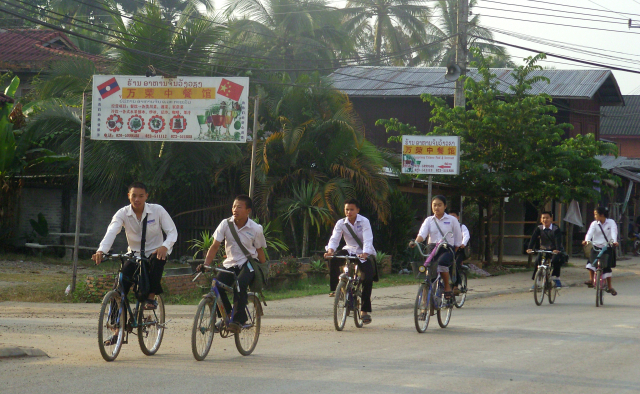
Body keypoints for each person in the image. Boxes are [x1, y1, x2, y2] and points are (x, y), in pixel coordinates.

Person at [93, 182, 178, 310]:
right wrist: (101, 251)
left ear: (146, 196)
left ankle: (151, 297)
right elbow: (112, 231)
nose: (137, 199)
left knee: (157, 261)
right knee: (121, 284)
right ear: (129, 196)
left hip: (155, 252)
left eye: (141, 196)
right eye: (134, 196)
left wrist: (165, 246)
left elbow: (172, 232)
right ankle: (116, 324)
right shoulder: (122, 213)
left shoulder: (157, 210)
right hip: (134, 255)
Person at [197, 195, 267, 333]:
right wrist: (205, 264)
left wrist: (263, 269)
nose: (235, 210)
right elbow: (215, 246)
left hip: (248, 263)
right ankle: (228, 315)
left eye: (239, 207)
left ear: (248, 211)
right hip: (230, 264)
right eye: (234, 206)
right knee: (216, 284)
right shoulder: (225, 224)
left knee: (240, 284)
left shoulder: (255, 228)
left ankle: (238, 320)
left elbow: (259, 250)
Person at [324, 199, 378, 325]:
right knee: (334, 259)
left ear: (357, 210)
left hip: (363, 252)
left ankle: (364, 311)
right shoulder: (341, 223)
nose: (349, 212)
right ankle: (335, 289)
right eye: (346, 209)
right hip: (349, 249)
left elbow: (368, 238)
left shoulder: (364, 221)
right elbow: (334, 238)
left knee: (367, 278)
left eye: (351, 209)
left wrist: (365, 253)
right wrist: (330, 250)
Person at [410, 195, 462, 300]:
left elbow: (458, 238)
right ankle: (424, 304)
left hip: (447, 248)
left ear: (445, 206)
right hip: (432, 248)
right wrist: (415, 242)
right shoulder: (429, 220)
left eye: (439, 205)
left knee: (442, 263)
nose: (436, 208)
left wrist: (454, 251)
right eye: (434, 205)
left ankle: (447, 287)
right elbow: (422, 234)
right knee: (428, 272)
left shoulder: (452, 220)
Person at [582, 207, 618, 296]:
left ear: (601, 215)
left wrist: (614, 241)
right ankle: (591, 280)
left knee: (607, 267)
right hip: (596, 246)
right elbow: (589, 233)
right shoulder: (594, 224)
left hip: (607, 247)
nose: (594, 216)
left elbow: (614, 232)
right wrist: (586, 240)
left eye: (595, 214)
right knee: (591, 263)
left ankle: (610, 287)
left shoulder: (611, 222)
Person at [526, 211, 564, 290]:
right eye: (543, 218)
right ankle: (536, 282)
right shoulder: (539, 228)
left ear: (551, 219)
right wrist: (529, 248)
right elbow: (533, 238)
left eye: (547, 218)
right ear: (541, 219)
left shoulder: (555, 229)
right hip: (544, 249)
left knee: (555, 260)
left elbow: (558, 240)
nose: (545, 220)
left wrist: (557, 249)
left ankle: (556, 279)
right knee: (537, 261)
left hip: (554, 250)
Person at [449, 211, 469, 293]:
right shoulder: (447, 226)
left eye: (453, 216)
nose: (452, 218)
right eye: (450, 216)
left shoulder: (462, 226)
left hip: (459, 250)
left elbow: (466, 235)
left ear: (458, 217)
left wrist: (463, 243)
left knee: (455, 264)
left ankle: (456, 285)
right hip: (449, 249)